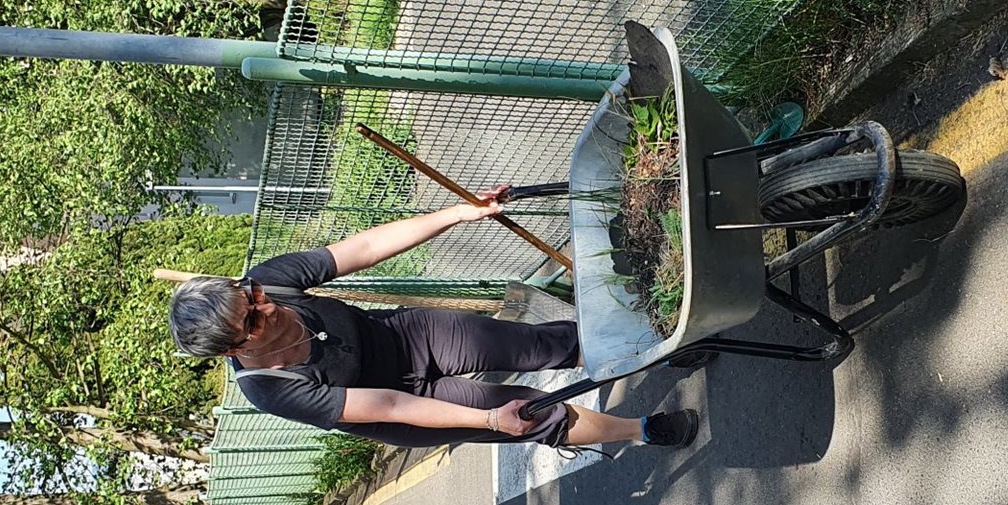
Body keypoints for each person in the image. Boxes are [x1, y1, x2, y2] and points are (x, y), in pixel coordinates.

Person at [168, 186, 699, 450]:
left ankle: (653, 350)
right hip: (397, 406)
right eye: (252, 321)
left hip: (404, 336)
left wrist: (458, 213)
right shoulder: (270, 388)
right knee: (532, 414)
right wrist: (490, 421)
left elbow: (365, 247)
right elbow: (392, 404)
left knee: (537, 344)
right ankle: (640, 430)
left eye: (251, 294)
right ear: (235, 348)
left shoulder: (273, 279)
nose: (265, 306)